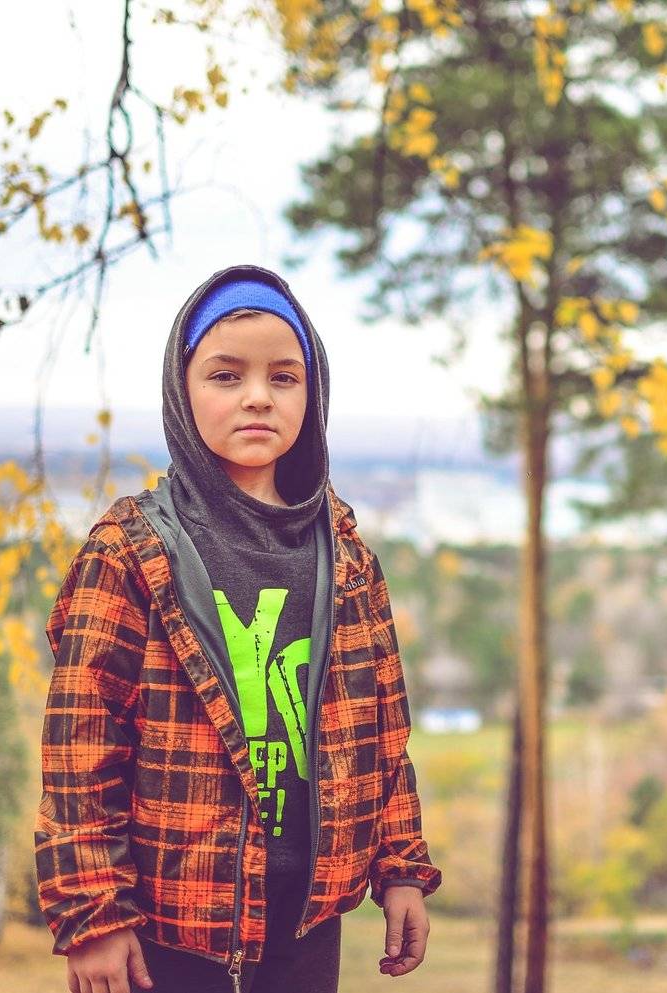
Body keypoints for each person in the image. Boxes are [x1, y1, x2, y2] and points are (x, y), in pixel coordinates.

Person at [35, 265, 441, 993]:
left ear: (313, 394)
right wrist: (94, 915)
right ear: (181, 390)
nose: (258, 396)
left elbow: (383, 731)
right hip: (168, 927)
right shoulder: (131, 552)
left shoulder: (346, 558)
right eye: (226, 375)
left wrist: (401, 866)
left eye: (284, 377)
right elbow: (80, 748)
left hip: (306, 922)